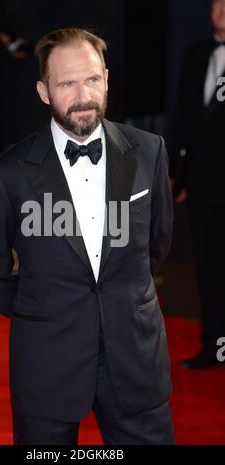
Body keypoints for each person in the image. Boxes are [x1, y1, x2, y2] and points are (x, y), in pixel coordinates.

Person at [0, 28, 174, 445]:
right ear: (44, 91)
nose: (83, 95)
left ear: (108, 79)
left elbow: (156, 243)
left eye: (93, 79)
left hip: (136, 359)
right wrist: (40, 308)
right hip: (47, 364)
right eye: (67, 83)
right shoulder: (9, 172)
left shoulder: (149, 151)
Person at [170, 0, 225, 369]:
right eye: (217, 2)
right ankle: (214, 348)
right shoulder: (197, 54)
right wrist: (179, 175)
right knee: (209, 270)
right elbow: (183, 118)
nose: (221, 9)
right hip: (204, 185)